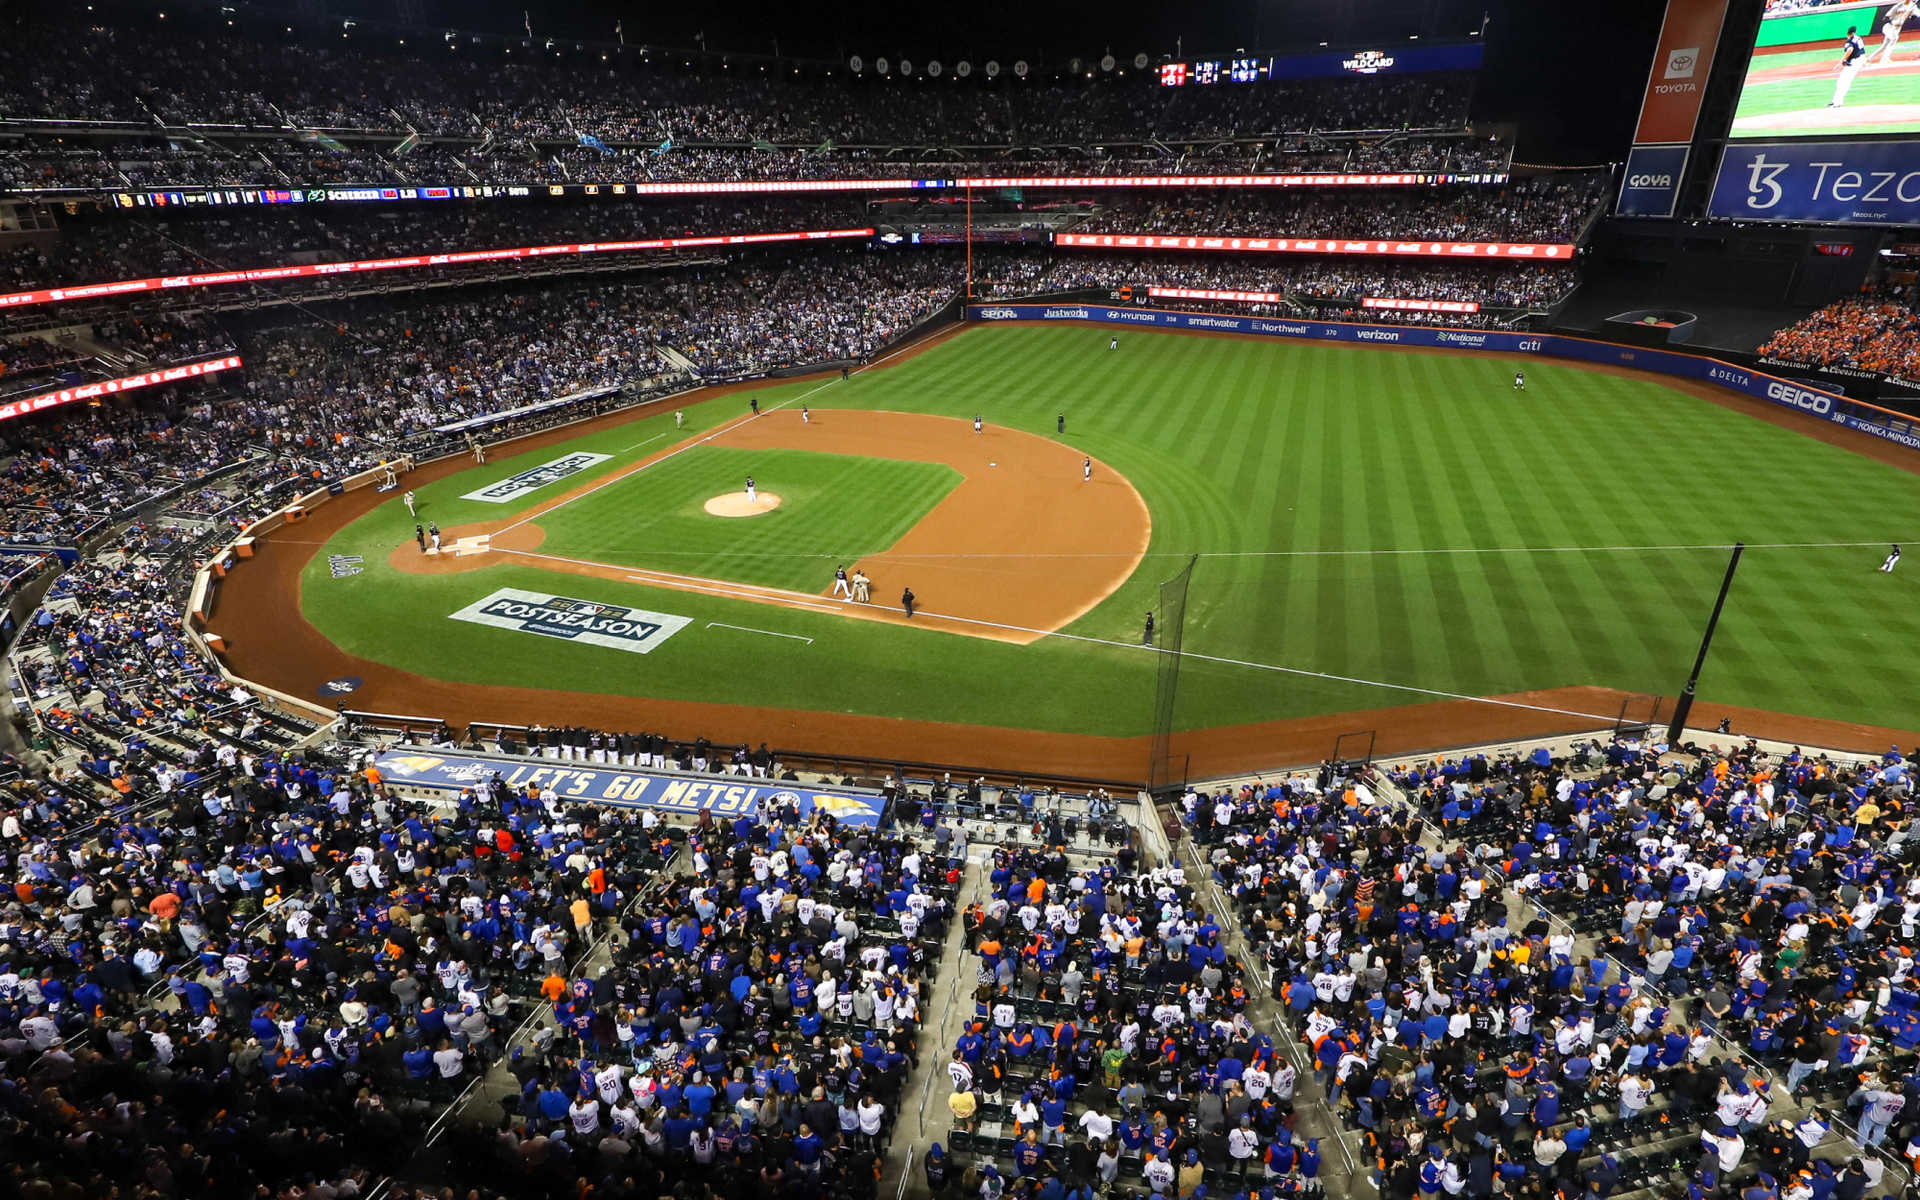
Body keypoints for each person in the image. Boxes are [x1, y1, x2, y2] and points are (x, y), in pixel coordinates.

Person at [1832, 26, 1870, 106]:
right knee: (1845, 81)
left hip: (1855, 61)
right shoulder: (1858, 38)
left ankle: (1837, 103)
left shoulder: (1849, 42)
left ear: (1847, 34)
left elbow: (1850, 49)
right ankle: (1837, 102)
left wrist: (1843, 61)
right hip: (1861, 59)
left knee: (1842, 82)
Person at [1872, 0, 1916, 64]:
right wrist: (1893, 22)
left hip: (1897, 28)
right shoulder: (1898, 6)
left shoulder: (1912, 6)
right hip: (1890, 27)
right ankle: (1885, 58)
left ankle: (1868, 59)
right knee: (1894, 38)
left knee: (1884, 46)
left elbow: (1913, 17)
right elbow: (1886, 17)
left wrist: (1911, 14)